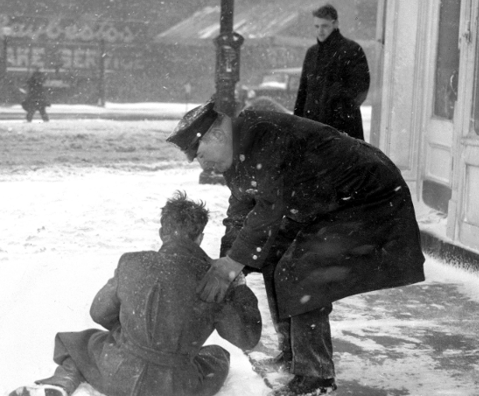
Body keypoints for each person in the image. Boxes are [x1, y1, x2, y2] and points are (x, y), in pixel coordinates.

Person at [166, 100, 425, 396]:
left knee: (301, 269)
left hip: (369, 197)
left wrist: (233, 264)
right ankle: (294, 352)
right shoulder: (236, 153)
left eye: (200, 155)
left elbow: (269, 209)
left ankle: (316, 378)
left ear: (218, 137)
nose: (203, 166)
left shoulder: (263, 137)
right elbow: (241, 209)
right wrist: (229, 259)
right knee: (272, 254)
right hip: (327, 202)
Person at [9, 190, 261, 396]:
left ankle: (62, 382)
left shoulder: (132, 263)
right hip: (177, 386)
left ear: (162, 232)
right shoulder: (216, 278)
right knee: (218, 355)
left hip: (119, 374)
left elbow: (99, 313)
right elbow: (247, 338)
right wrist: (238, 285)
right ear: (200, 237)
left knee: (82, 344)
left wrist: (134, 329)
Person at [293, 3, 370, 140]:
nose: (320, 31)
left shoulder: (351, 50)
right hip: (312, 128)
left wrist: (339, 110)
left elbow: (360, 89)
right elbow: (303, 93)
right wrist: (296, 124)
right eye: (316, 26)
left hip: (342, 130)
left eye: (324, 26)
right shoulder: (312, 53)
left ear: (335, 24)